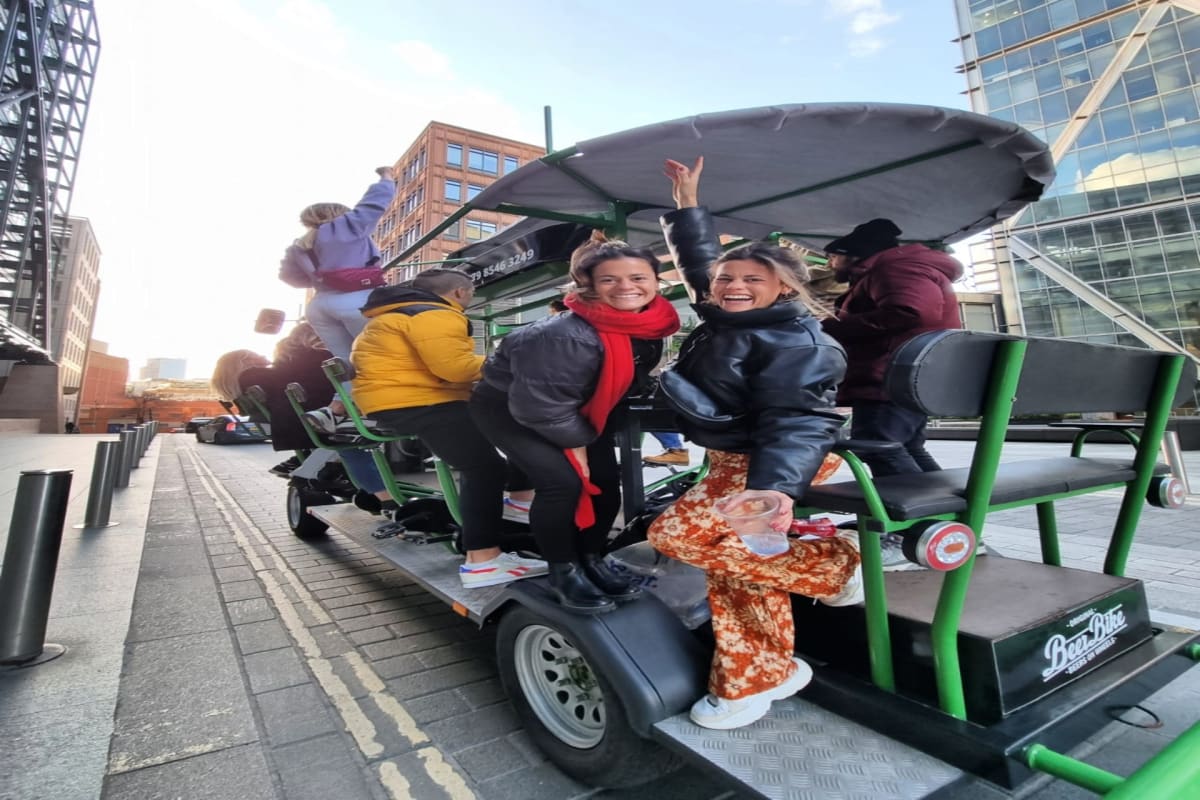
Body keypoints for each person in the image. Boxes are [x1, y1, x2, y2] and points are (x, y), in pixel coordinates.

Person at [647, 156, 861, 731]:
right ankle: (755, 677)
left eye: (751, 280)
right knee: (736, 569)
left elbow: (801, 423)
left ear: (784, 287)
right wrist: (688, 204)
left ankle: (835, 567)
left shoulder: (800, 342)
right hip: (735, 461)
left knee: (673, 534)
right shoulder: (725, 317)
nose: (733, 286)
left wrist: (771, 492)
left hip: (776, 463)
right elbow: (698, 267)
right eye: (727, 279)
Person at [471, 235, 681, 612]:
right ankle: (563, 571)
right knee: (563, 484)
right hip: (514, 410)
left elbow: (630, 375)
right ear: (589, 285)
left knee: (604, 482)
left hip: (576, 410)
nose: (626, 287)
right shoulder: (566, 335)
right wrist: (578, 447)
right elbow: (540, 409)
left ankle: (591, 557)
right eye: (609, 280)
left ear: (655, 280)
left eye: (638, 277)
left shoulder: (652, 322)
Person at [350, 268, 547, 588]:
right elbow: (455, 368)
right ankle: (483, 559)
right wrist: (515, 360)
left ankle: (519, 501)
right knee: (485, 468)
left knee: (500, 432)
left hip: (398, 400)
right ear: (460, 293)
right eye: (471, 293)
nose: (470, 299)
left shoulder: (397, 315)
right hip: (420, 401)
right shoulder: (434, 314)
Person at [821, 218, 964, 477]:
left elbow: (911, 312)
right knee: (908, 447)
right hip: (912, 375)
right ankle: (944, 508)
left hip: (888, 376)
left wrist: (832, 327)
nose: (830, 264)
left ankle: (922, 513)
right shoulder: (900, 267)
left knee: (877, 446)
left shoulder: (894, 270)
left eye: (832, 257)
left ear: (852, 256)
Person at [212, 338, 392, 509]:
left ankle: (377, 494)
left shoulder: (251, 379)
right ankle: (387, 499)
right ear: (246, 359)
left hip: (302, 422)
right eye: (254, 353)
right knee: (353, 447)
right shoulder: (255, 375)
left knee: (352, 449)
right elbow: (299, 379)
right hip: (310, 421)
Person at [550, 288, 690, 468]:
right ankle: (674, 449)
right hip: (610, 398)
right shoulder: (647, 324)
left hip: (612, 398)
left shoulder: (641, 325)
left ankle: (675, 449)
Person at [283, 167, 397, 363]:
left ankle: (346, 395)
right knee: (379, 357)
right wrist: (386, 178)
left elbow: (290, 277)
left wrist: (324, 277)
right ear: (340, 215)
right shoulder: (345, 227)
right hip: (357, 300)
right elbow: (373, 205)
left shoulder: (300, 245)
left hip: (320, 306)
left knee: (345, 362)